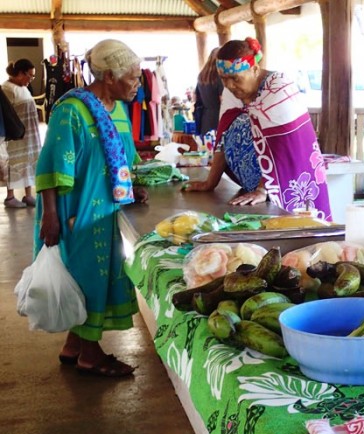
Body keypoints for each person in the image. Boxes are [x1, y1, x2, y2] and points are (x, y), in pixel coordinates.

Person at [35, 39, 148, 377]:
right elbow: (52, 166)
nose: (138, 86)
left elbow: (124, 157)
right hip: (76, 211)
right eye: (133, 78)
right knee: (85, 278)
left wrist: (134, 185)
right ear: (109, 76)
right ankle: (90, 355)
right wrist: (51, 216)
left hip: (107, 209)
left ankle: (73, 346)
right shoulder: (70, 110)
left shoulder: (118, 109)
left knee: (93, 278)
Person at [184, 37, 333, 220]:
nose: (230, 86)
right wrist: (210, 182)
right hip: (254, 187)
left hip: (288, 181)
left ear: (254, 69)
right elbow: (223, 136)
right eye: (224, 79)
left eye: (235, 79)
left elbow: (282, 148)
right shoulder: (233, 92)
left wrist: (264, 190)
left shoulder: (278, 88)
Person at [1, 59, 42, 208]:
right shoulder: (7, 88)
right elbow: (5, 113)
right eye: (29, 76)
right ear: (20, 73)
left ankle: (28, 195)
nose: (30, 79)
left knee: (29, 161)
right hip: (16, 136)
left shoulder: (24, 87)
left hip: (30, 134)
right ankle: (10, 197)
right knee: (14, 163)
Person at [194, 47, 223, 136]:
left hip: (204, 118)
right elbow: (222, 99)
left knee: (206, 146)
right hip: (218, 117)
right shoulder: (219, 76)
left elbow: (195, 97)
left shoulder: (202, 75)